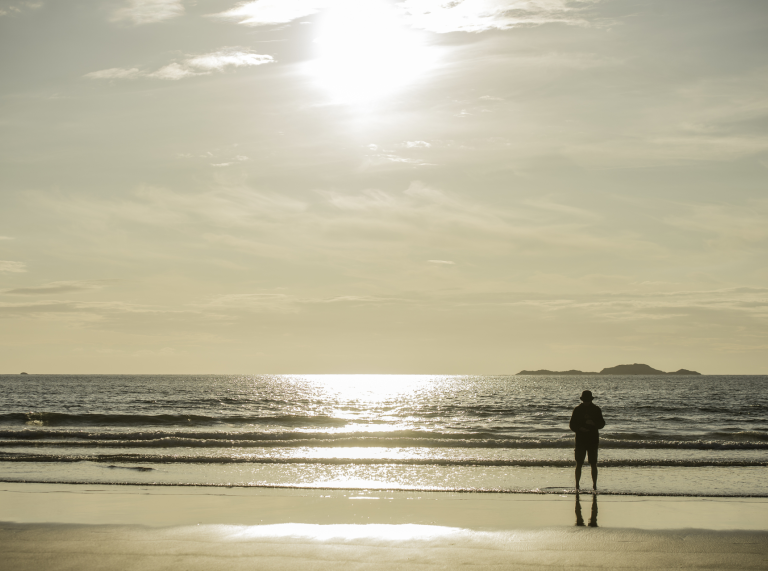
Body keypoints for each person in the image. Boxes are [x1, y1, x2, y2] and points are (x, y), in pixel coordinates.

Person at [569, 390, 605, 492]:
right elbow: (572, 425)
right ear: (582, 400)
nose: (586, 402)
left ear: (591, 400)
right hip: (580, 439)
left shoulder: (596, 409)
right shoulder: (577, 409)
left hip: (593, 440)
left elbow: (602, 424)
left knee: (593, 463)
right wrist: (580, 428)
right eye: (585, 400)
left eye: (588, 400)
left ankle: (594, 485)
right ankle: (577, 486)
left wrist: (593, 423)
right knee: (579, 463)